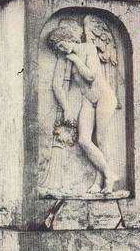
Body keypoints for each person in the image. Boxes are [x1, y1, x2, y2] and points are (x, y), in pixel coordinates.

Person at [47, 27, 118, 194]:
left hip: (103, 96)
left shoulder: (88, 48)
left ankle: (100, 181)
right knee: (84, 140)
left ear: (69, 38)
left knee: (100, 139)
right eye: (58, 48)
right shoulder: (65, 58)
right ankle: (109, 173)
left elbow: (91, 76)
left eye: (61, 45)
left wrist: (76, 60)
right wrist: (66, 108)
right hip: (88, 100)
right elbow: (56, 85)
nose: (61, 49)